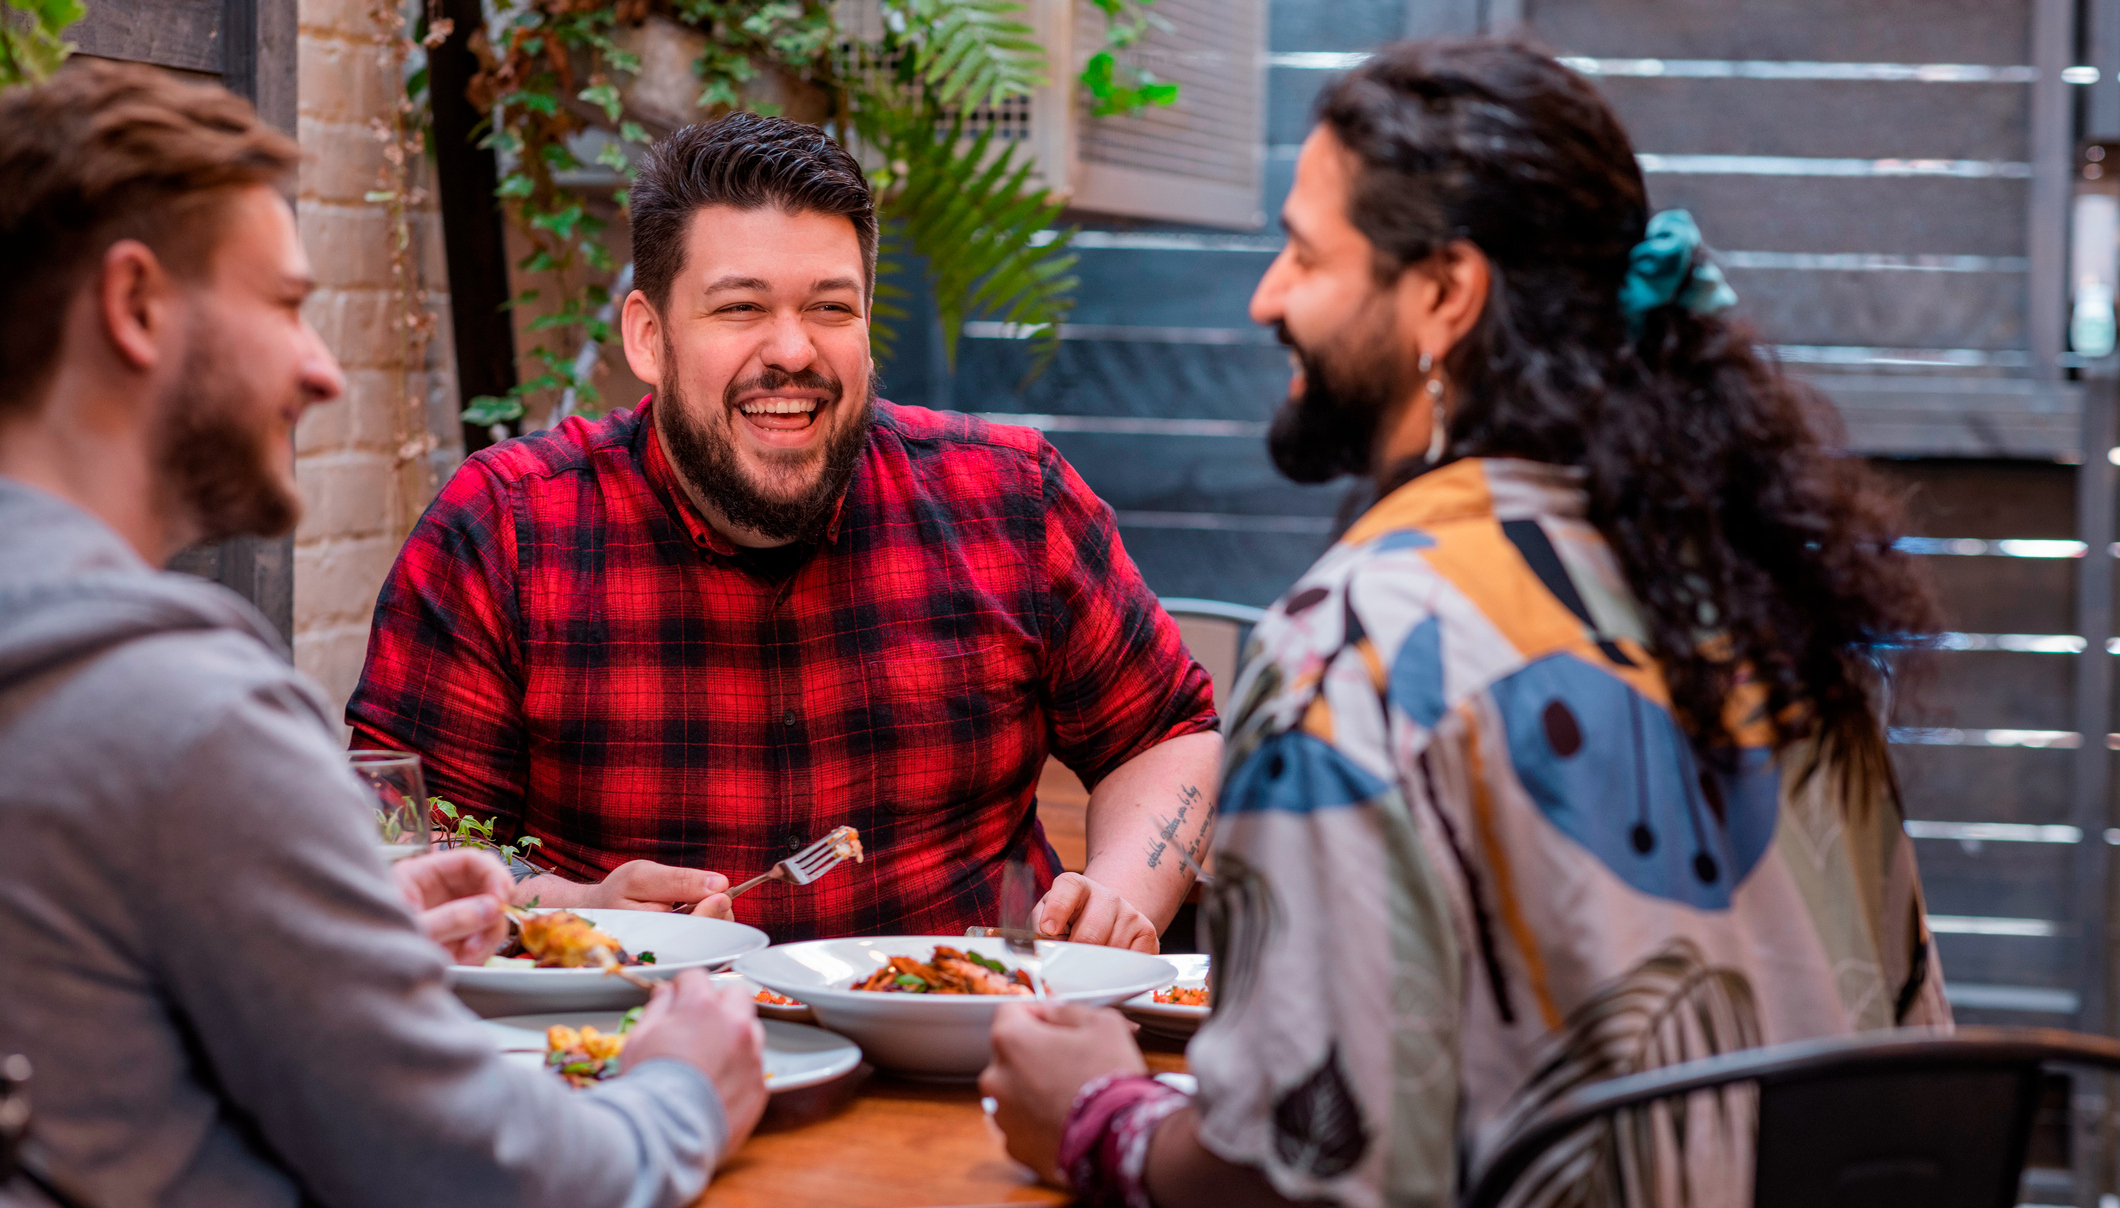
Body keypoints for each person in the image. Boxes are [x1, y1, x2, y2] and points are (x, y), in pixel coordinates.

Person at [981, 38, 1950, 1208]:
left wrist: (1096, 1113)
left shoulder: (1360, 641)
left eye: (1302, 252)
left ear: (1443, 291)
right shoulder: (1765, 602)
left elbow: (1287, 1180)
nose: (1264, 296)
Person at [0, 61, 765, 1208]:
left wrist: (331, 930)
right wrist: (679, 1087)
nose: (320, 369)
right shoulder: (183, 711)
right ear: (137, 306)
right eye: (285, 306)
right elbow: (487, 1173)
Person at [345, 113, 1221, 949]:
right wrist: (578, 913)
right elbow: (398, 843)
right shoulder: (504, 530)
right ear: (649, 338)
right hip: (627, 1058)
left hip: (970, 1059)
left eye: (832, 309)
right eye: (741, 308)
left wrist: (1119, 896)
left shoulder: (1012, 501)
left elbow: (1168, 731)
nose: (794, 350)